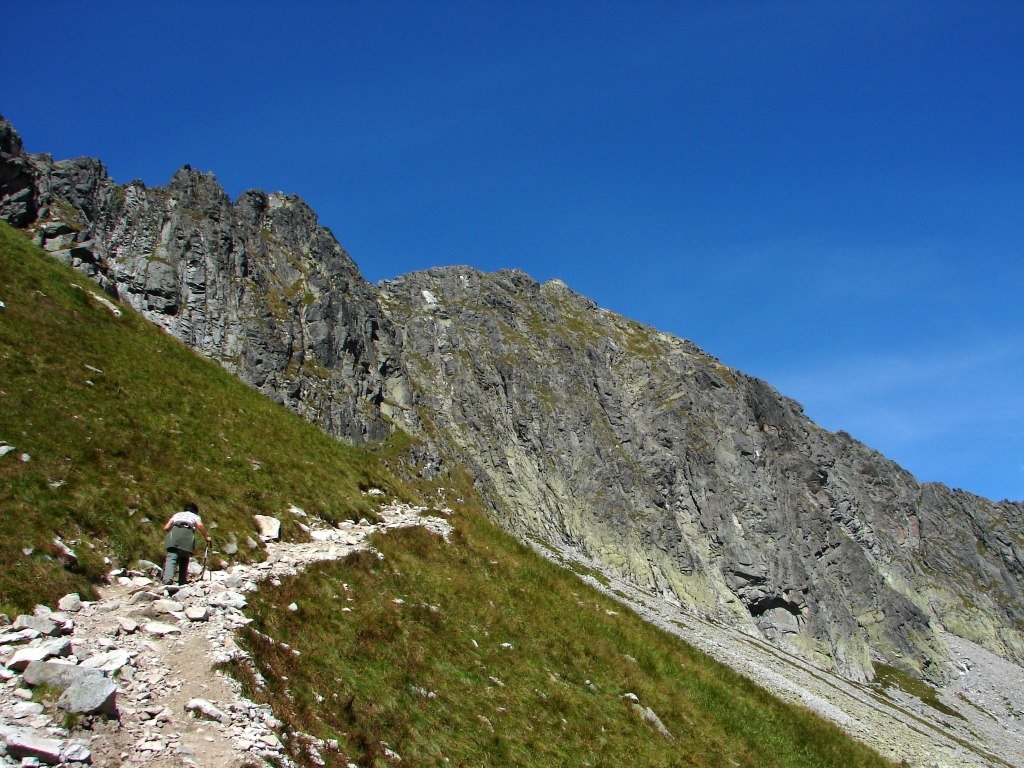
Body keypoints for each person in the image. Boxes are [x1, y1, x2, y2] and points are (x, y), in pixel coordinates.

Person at [162, 502, 211, 585]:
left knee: (171, 558)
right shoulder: (195, 516)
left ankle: (168, 579)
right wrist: (206, 537)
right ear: (195, 511)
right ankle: (182, 581)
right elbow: (199, 525)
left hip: (174, 533)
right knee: (184, 558)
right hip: (188, 534)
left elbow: (166, 527)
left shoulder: (177, 515)